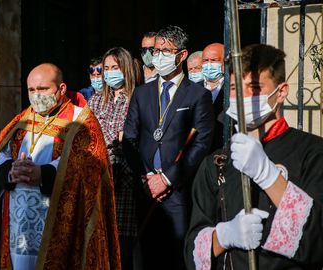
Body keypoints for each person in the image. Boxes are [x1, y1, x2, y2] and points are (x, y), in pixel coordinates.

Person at [0, 63, 121, 270]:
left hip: (58, 227)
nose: (36, 96)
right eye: (31, 90)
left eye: (43, 89)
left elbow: (88, 166)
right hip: (17, 228)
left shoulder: (82, 121)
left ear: (62, 89)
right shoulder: (21, 121)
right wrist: (11, 170)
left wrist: (44, 174)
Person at [185, 44, 323, 269]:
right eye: (234, 87)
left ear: (281, 91)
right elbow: (191, 251)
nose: (243, 95)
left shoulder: (313, 152)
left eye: (255, 86)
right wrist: (225, 235)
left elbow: (318, 240)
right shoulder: (216, 162)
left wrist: (269, 176)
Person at [123, 25, 214, 270]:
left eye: (165, 51)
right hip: (145, 190)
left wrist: (167, 178)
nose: (158, 56)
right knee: (145, 257)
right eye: (156, 51)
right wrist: (146, 177)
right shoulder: (141, 94)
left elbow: (202, 142)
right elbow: (129, 139)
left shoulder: (197, 95)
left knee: (175, 257)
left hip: (177, 192)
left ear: (182, 55)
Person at [88, 47, 141, 270]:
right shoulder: (97, 100)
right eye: (106, 68)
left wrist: (118, 140)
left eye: (115, 68)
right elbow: (88, 134)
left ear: (126, 69)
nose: (110, 73)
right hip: (100, 176)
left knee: (124, 247)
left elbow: (134, 137)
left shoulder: (138, 98)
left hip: (126, 180)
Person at [202, 43, 225, 151]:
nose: (209, 65)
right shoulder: (192, 89)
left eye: (214, 60)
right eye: (205, 60)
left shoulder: (233, 89)